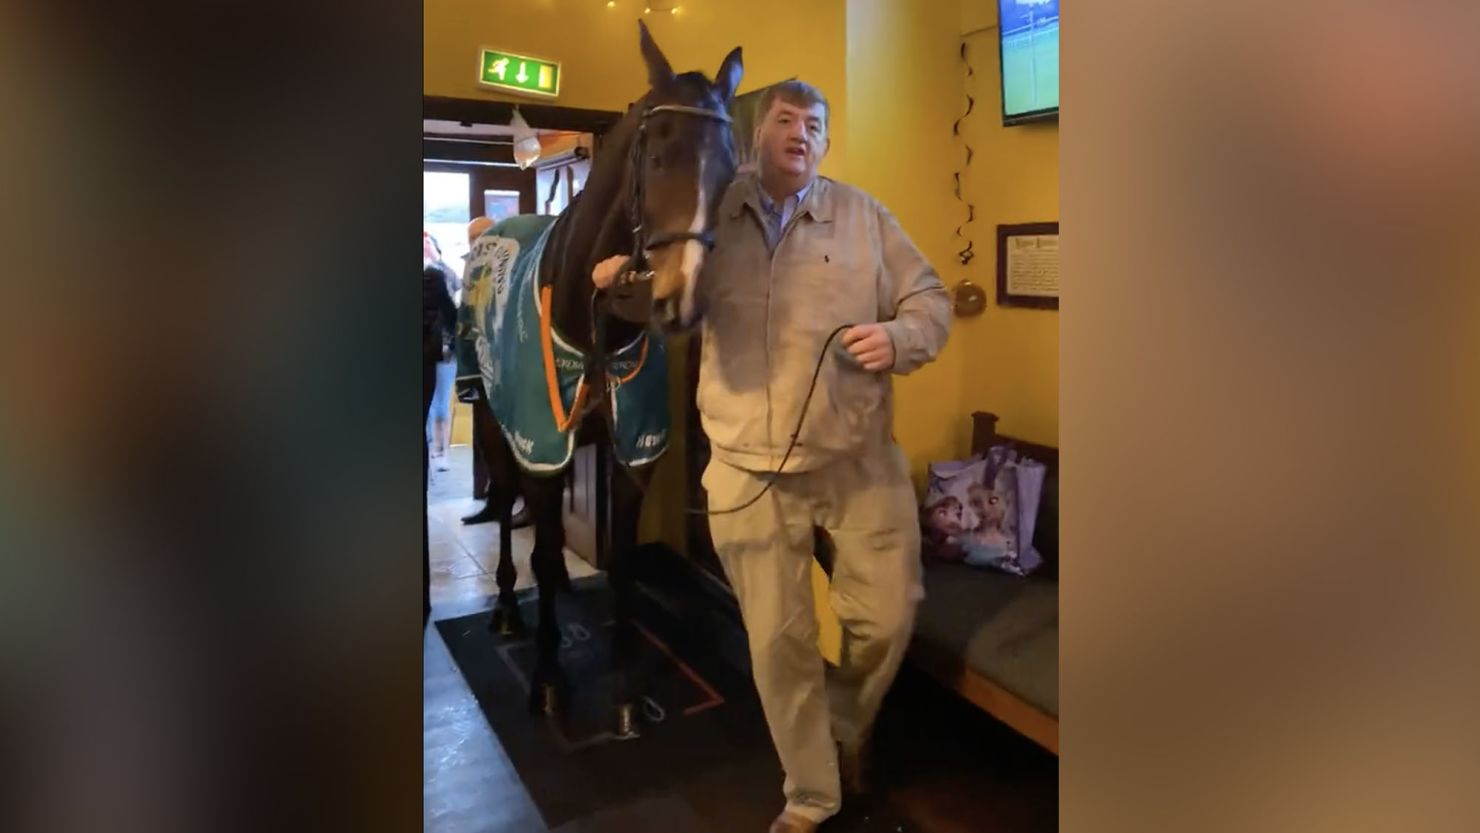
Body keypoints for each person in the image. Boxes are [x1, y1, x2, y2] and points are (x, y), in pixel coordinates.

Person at [594, 80, 951, 833]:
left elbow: (932, 302)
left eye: (814, 125)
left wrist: (900, 338)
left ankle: (843, 727)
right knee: (780, 642)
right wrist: (616, 285)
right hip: (747, 470)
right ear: (756, 137)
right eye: (786, 120)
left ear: (825, 143)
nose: (801, 133)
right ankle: (813, 791)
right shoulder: (712, 212)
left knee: (888, 614)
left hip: (859, 459)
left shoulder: (864, 217)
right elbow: (662, 296)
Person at [423, 252, 458, 626]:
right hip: (432, 364)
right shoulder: (435, 286)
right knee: (436, 410)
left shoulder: (434, 279)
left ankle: (436, 457)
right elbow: (454, 321)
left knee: (436, 412)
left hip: (433, 362)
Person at [423, 232, 460, 471]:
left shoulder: (437, 274)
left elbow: (451, 312)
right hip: (431, 352)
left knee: (440, 404)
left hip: (441, 353)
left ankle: (442, 451)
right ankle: (435, 450)